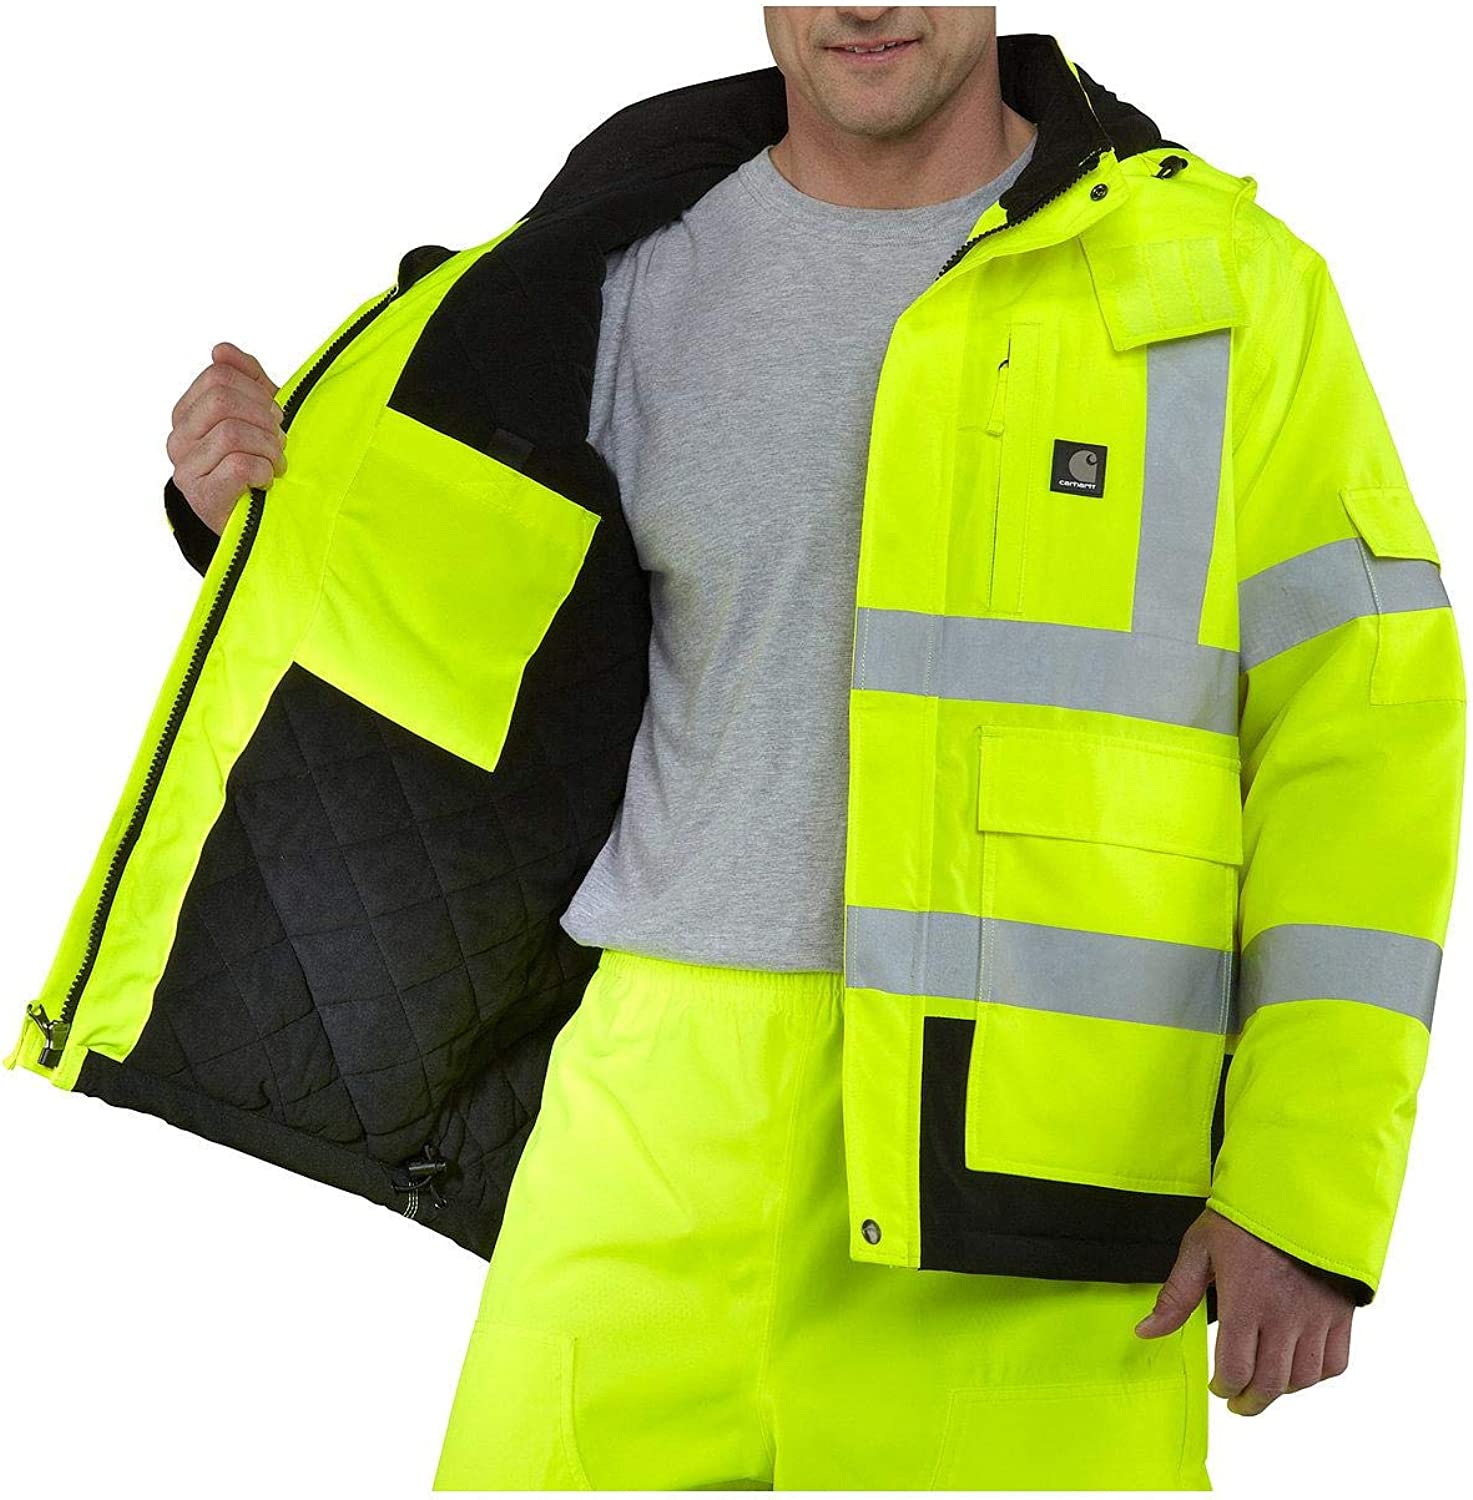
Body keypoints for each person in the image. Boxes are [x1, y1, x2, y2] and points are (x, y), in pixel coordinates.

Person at [160, 9, 1463, 1491]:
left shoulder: (1221, 289)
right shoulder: (618, 268)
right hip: (653, 1109)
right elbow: (477, 641)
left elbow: (1363, 732)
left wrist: (1303, 1183)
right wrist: (252, 517)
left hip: (1039, 1173)